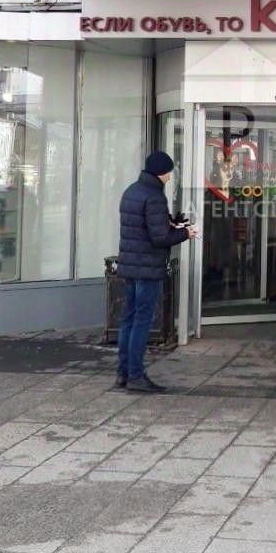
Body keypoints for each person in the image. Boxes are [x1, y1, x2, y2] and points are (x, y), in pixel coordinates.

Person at [115, 150, 199, 393]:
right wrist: (186, 233)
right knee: (142, 321)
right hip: (148, 268)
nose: (170, 177)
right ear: (160, 172)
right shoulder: (154, 197)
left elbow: (144, 227)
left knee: (128, 319)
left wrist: (171, 222)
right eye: (168, 173)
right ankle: (136, 376)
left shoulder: (131, 191)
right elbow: (160, 238)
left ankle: (123, 373)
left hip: (130, 265)